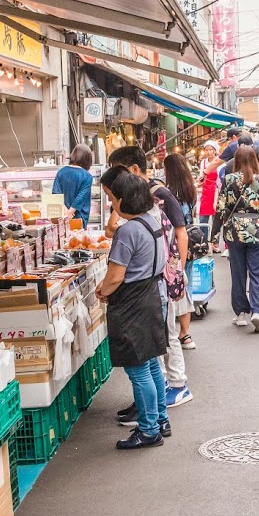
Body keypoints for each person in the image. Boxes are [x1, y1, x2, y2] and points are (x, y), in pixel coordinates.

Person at [107, 145, 193, 411]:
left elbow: (181, 233)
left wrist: (177, 270)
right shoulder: (140, 199)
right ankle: (156, 400)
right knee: (154, 341)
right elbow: (113, 226)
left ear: (133, 170)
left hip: (162, 276)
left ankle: (178, 387)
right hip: (156, 275)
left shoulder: (159, 195)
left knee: (166, 333)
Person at [96, 168, 170, 450]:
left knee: (139, 370)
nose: (112, 204)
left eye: (114, 199)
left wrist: (103, 291)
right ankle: (160, 419)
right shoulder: (151, 222)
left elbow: (115, 276)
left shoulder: (127, 231)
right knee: (150, 363)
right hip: (150, 294)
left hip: (131, 303)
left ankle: (150, 429)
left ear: (124, 200)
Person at [216, 145, 259, 333]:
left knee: (238, 273)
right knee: (258, 274)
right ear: (255, 160)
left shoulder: (228, 179)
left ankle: (241, 312)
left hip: (234, 233)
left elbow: (221, 208)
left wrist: (215, 233)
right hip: (257, 231)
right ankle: (257, 312)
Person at [163, 153, 199, 350]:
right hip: (189, 243)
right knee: (186, 286)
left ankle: (175, 332)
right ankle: (185, 334)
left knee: (172, 287)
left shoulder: (169, 195)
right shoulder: (190, 190)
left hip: (173, 246)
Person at [52, 144, 94, 225]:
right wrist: (70, 212)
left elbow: (55, 193)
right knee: (77, 236)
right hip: (79, 216)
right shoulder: (87, 176)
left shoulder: (61, 172)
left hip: (61, 217)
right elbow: (81, 197)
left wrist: (65, 211)